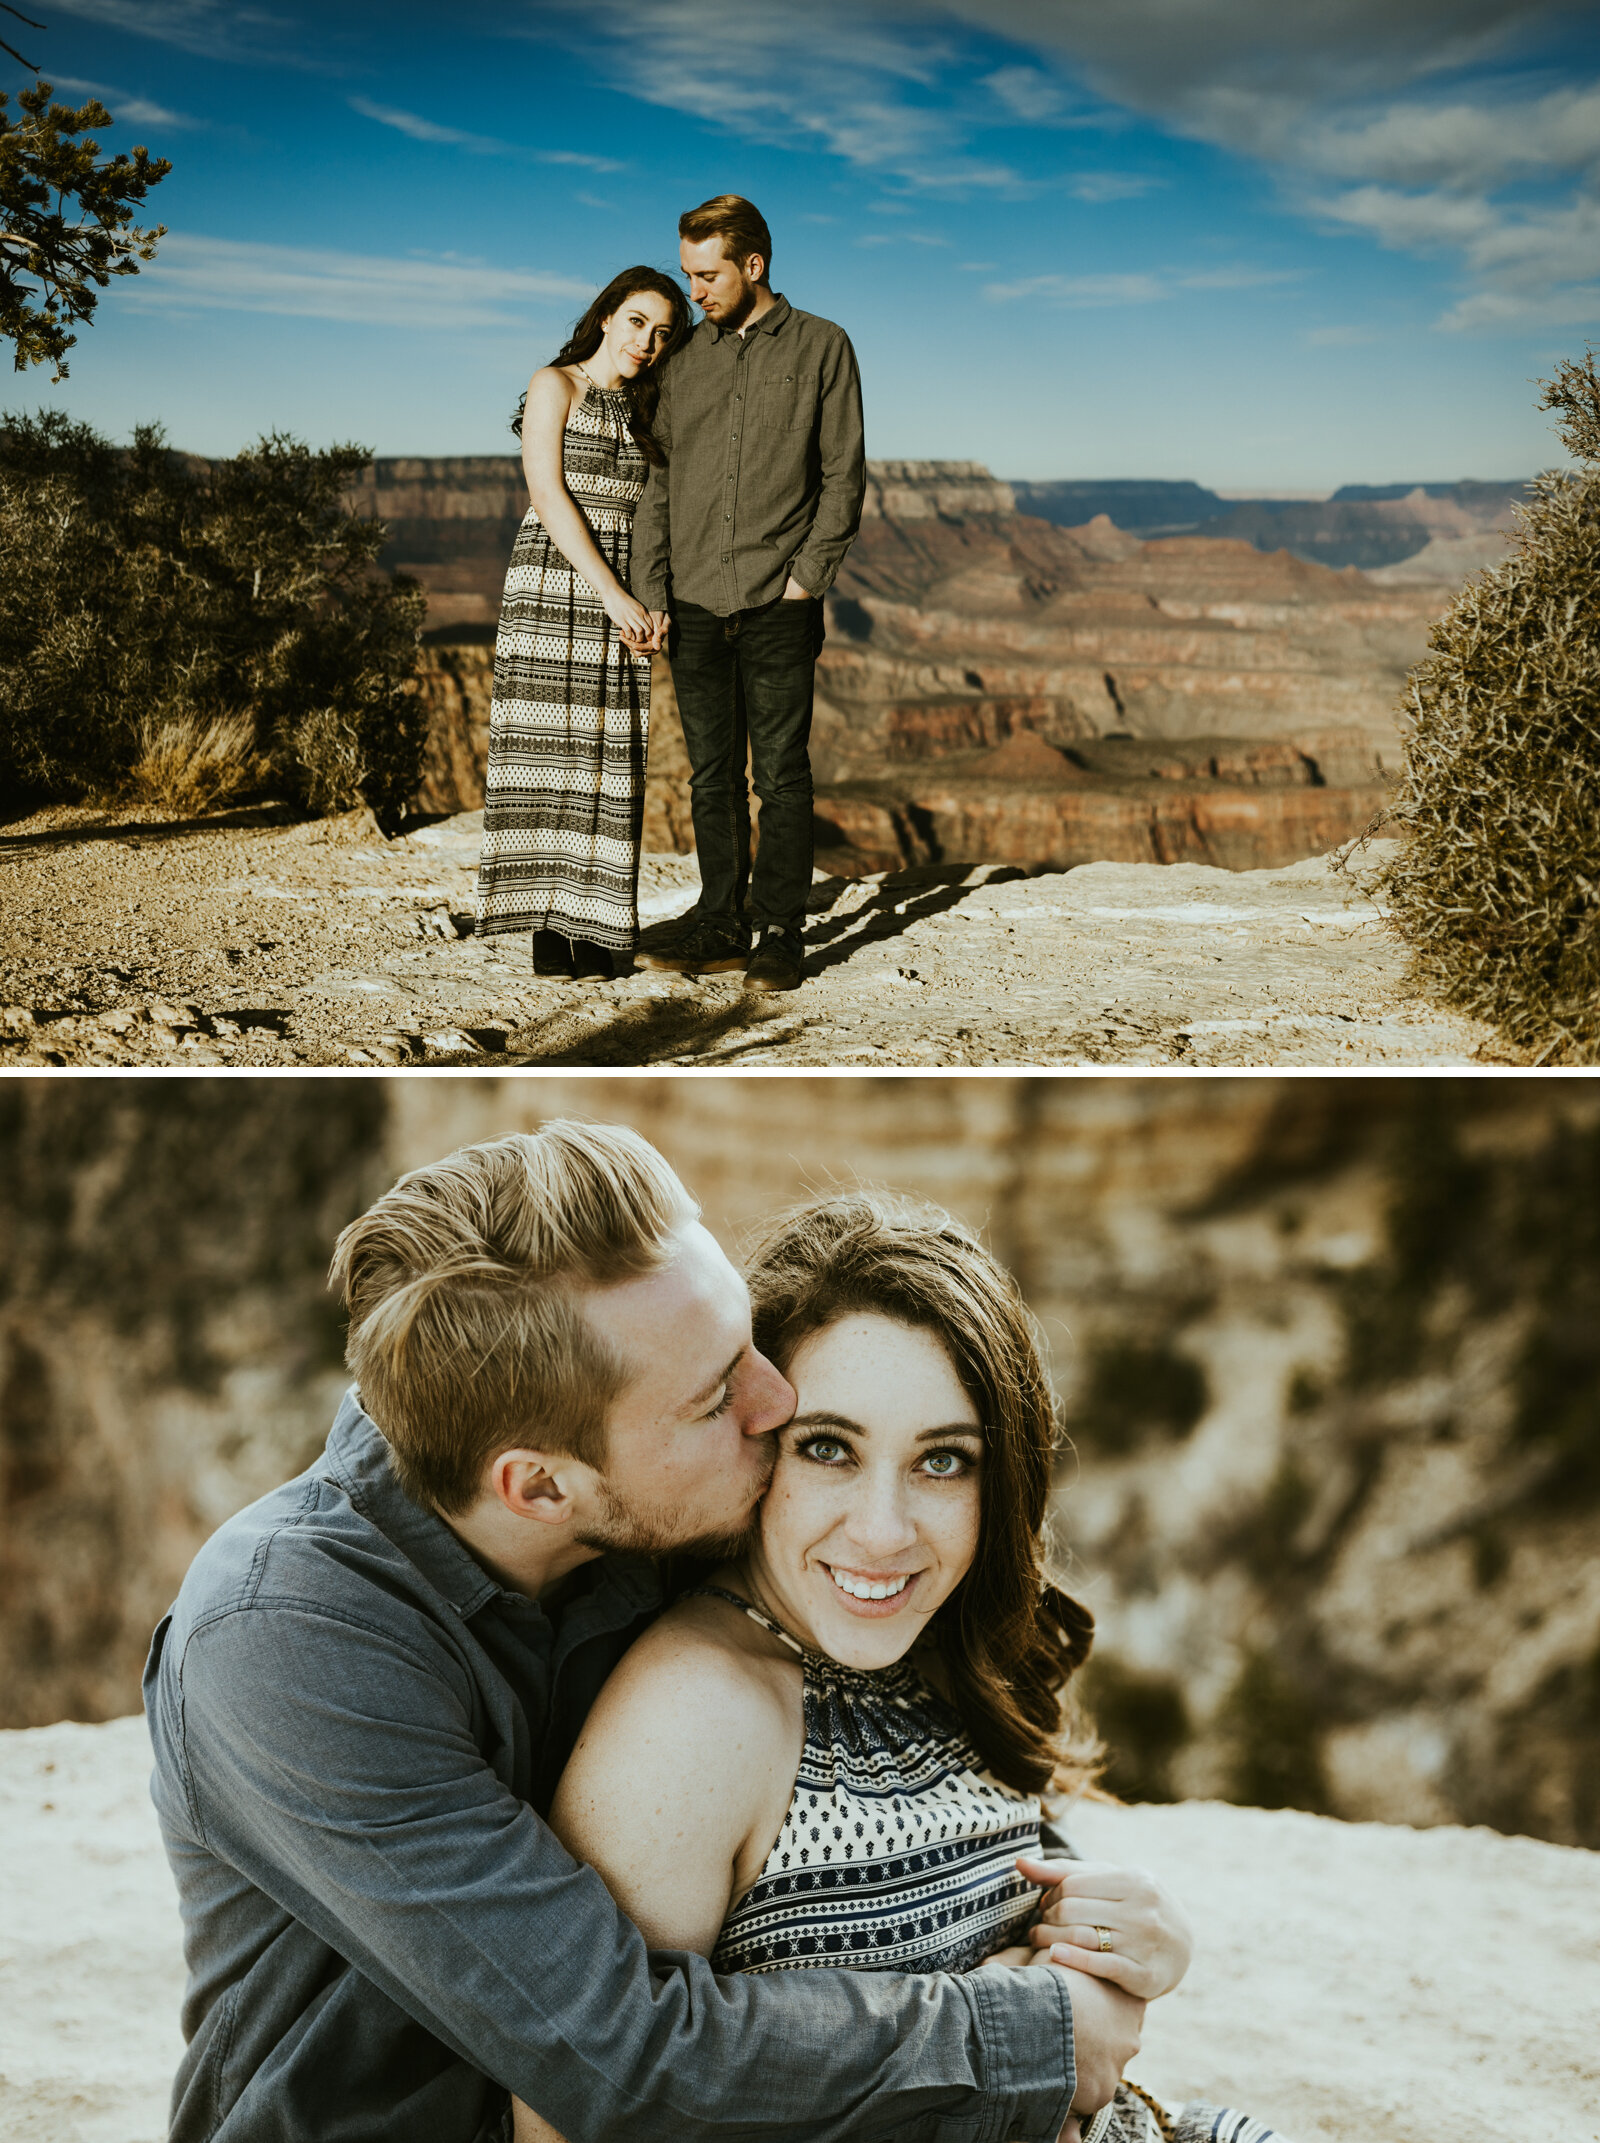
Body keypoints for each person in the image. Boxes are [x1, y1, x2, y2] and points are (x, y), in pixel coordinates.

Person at [143, 1123, 1138, 2143]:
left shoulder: (665, 1493)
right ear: (538, 1486)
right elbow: (621, 2059)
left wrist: (1083, 1917)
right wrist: (1036, 2031)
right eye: (716, 1397)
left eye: (743, 1338)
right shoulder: (283, 1640)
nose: (775, 1399)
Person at [513, 1191, 1291, 2143]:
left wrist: (1139, 1941)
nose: (883, 1532)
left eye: (943, 1462)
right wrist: (1015, 2035)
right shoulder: (698, 1713)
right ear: (757, 1446)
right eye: (829, 1448)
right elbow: (578, 2116)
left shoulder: (923, 1639)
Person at [632, 195, 866, 994]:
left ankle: (780, 933)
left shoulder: (823, 347)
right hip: (694, 600)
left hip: (778, 601)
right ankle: (721, 919)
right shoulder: (682, 363)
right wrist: (653, 587)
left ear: (752, 265)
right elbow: (659, 486)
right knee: (710, 777)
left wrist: (808, 577)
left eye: (707, 274)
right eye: (690, 274)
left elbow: (843, 473)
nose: (693, 292)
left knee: (782, 776)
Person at [473, 269, 690, 982]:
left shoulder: (653, 407)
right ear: (606, 316)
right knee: (544, 750)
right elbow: (546, 489)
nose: (647, 341)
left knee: (609, 756)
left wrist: (652, 596)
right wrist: (613, 594)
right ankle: (544, 926)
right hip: (557, 573)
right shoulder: (555, 384)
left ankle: (597, 930)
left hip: (628, 581)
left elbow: (662, 512)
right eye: (636, 321)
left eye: (661, 332)